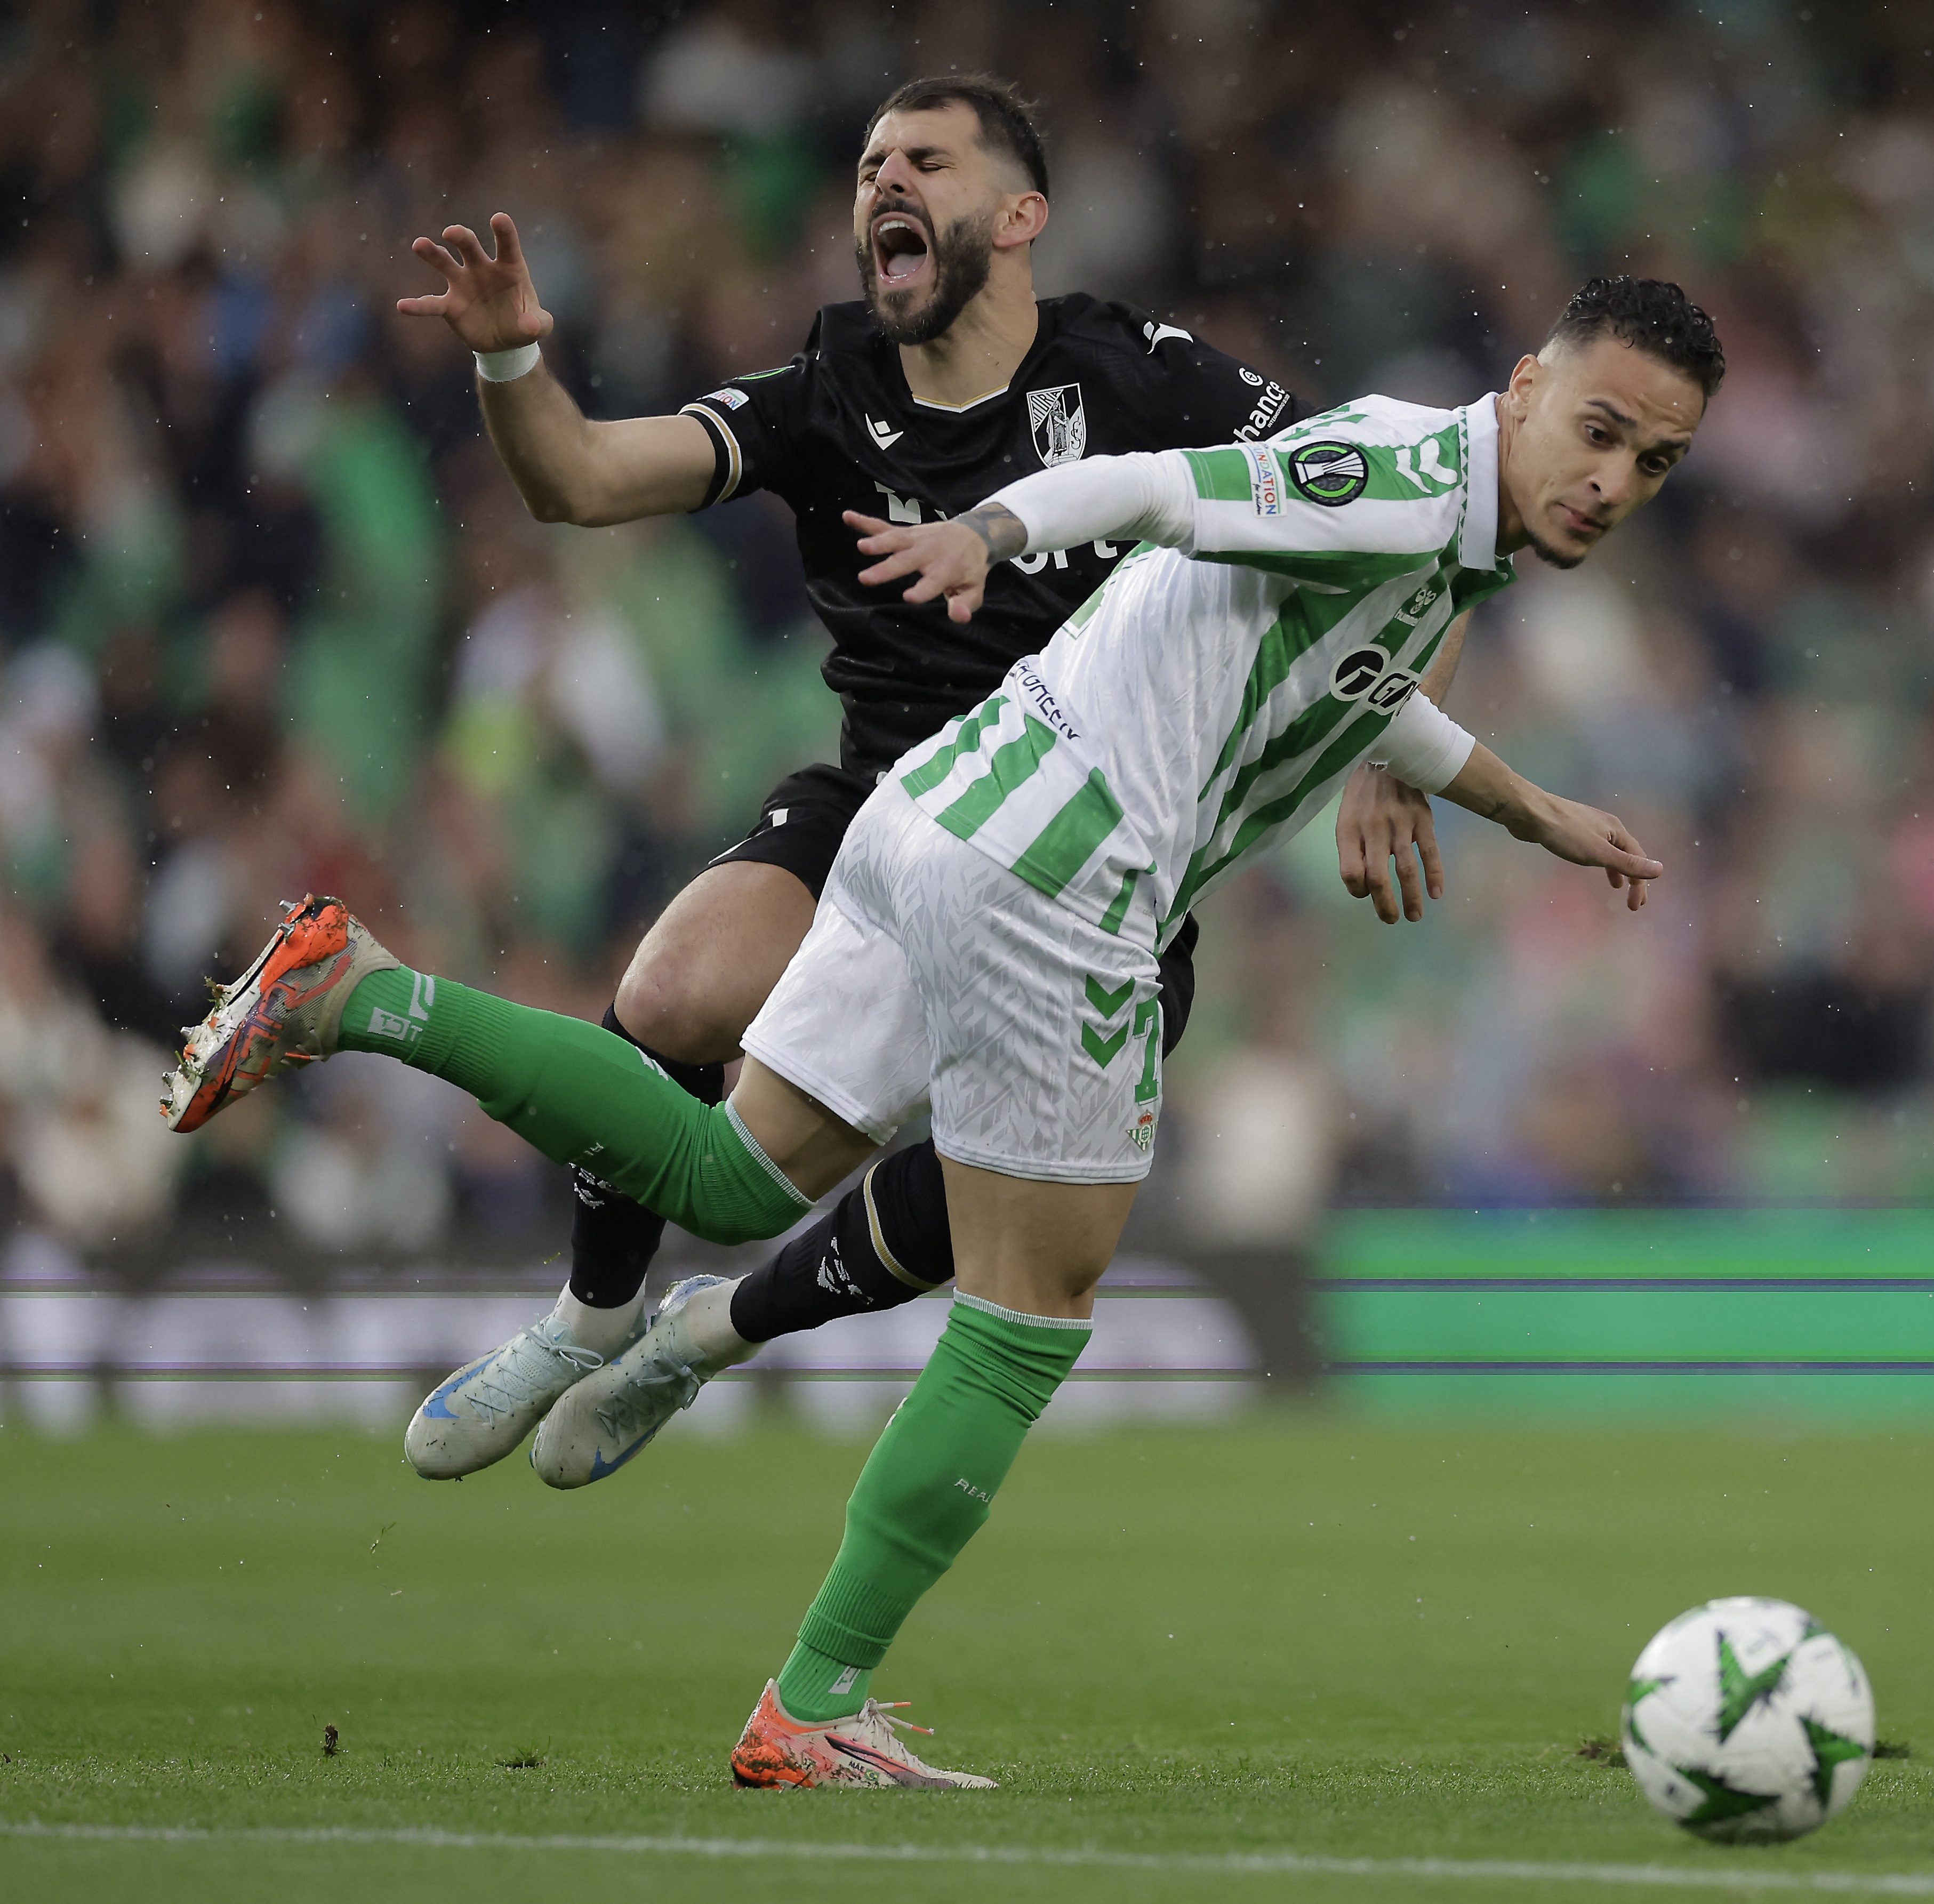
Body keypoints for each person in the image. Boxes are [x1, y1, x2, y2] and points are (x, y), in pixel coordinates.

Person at [160, 273, 1720, 1787]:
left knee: (719, 1178)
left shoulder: (1442, 529)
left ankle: (362, 991)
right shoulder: (1396, 469)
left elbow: (1352, 674)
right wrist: (984, 530)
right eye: (1595, 428)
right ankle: (812, 1703)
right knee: (1031, 1311)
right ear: (1522, 387)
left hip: (953, 811)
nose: (1612, 479)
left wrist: (1531, 809)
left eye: (1652, 461)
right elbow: (1156, 488)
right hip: (1070, 873)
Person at [379, 74, 1452, 1484]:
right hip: (885, 815)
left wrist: (1393, 743)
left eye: (926, 162)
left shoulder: (1137, 373)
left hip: (1094, 867)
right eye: (871, 163)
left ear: (1019, 217)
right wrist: (514, 364)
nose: (883, 182)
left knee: (986, 1211)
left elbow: (1394, 504)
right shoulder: (826, 391)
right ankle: (593, 1312)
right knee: (671, 993)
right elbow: (577, 479)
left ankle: (714, 1332)